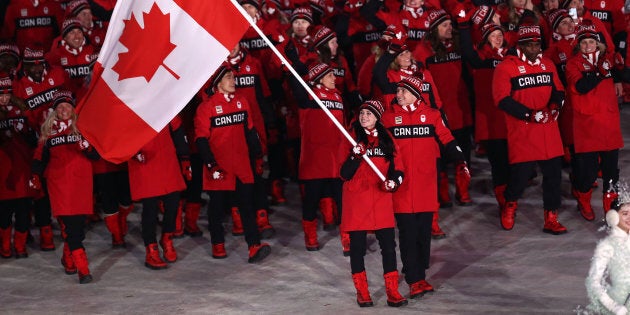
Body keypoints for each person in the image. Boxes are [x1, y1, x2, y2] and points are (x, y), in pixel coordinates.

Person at [381, 75, 470, 298]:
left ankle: (417, 269)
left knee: (422, 233)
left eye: (402, 91)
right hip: (402, 186)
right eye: (398, 91)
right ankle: (415, 279)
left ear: (415, 94)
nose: (397, 94)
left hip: (425, 185)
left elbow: (447, 139)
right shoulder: (389, 118)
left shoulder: (432, 115)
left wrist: (461, 160)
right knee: (408, 233)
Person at [492, 24, 568, 234]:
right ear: (521, 45)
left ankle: (551, 216)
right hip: (522, 129)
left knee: (553, 175)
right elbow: (501, 99)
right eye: (530, 44)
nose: (535, 48)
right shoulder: (506, 67)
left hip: (548, 129)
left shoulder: (548, 64)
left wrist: (554, 107)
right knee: (520, 176)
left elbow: (559, 90)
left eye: (537, 44)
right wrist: (530, 114)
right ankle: (510, 204)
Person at [194, 63, 271, 263]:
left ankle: (254, 245)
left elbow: (250, 132)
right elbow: (201, 139)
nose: (233, 81)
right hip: (219, 167)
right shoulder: (206, 108)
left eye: (233, 77)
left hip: (242, 165)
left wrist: (257, 156)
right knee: (217, 207)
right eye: (228, 77)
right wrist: (211, 164)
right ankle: (217, 243)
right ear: (218, 83)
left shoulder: (242, 102)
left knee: (247, 204)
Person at [340, 100, 407, 308]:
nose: (364, 117)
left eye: (369, 113)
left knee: (388, 246)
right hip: (357, 200)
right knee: (357, 248)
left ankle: (392, 290)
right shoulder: (351, 138)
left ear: (378, 117)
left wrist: (394, 182)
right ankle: (362, 291)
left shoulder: (388, 140)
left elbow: (399, 170)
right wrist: (355, 156)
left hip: (380, 200)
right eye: (362, 113)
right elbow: (343, 174)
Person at [30, 90, 99, 284]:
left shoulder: (83, 128)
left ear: (73, 108)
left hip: (81, 183)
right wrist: (35, 175)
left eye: (67, 106)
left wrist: (88, 148)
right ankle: (83, 270)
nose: (63, 109)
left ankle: (68, 258)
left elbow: (96, 157)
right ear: (54, 111)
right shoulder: (48, 131)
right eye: (59, 106)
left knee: (78, 227)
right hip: (59, 184)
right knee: (72, 228)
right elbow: (39, 157)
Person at [565, 22, 623, 220]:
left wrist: (619, 68)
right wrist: (600, 72)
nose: (588, 46)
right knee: (587, 173)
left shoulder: (609, 60)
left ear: (598, 44)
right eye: (584, 43)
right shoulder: (573, 64)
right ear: (578, 45)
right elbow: (581, 86)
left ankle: (611, 206)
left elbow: (623, 74)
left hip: (608, 124)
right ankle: (584, 200)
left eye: (592, 42)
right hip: (586, 126)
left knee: (611, 171)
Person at [127, 116, 190, 269]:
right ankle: (151, 249)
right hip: (146, 162)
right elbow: (125, 135)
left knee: (173, 203)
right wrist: (133, 151)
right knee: (150, 208)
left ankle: (167, 238)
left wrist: (185, 159)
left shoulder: (165, 107)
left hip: (167, 159)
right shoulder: (134, 110)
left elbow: (178, 132)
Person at [0, 76, 36, 258]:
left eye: (7, 94)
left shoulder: (22, 110)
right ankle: (5, 246)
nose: (4, 98)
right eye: (1, 95)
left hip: (22, 168)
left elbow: (34, 134)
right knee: (4, 214)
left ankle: (20, 246)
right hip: (3, 171)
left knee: (23, 212)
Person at [585, 185, 630, 315]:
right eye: (625, 214)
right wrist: (614, 307)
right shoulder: (607, 245)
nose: (629, 218)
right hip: (619, 304)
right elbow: (593, 281)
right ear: (614, 217)